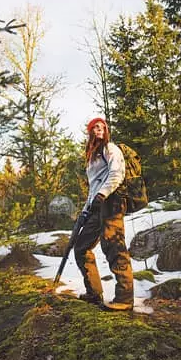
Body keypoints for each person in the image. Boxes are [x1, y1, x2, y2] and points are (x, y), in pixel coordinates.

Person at [73, 117, 134, 311]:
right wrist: (85, 211)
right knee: (81, 247)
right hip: (97, 205)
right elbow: (94, 187)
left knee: (114, 248)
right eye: (95, 127)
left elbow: (117, 173)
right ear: (90, 132)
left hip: (113, 202)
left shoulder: (110, 148)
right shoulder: (92, 157)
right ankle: (94, 292)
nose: (99, 130)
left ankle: (125, 298)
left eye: (102, 127)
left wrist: (102, 194)